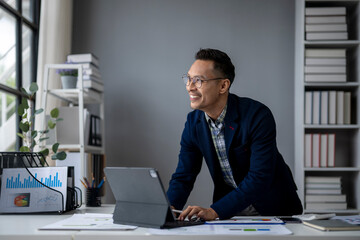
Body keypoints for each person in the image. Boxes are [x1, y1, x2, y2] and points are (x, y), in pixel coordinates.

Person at [167, 48, 303, 221]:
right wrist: (168, 208)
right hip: (230, 210)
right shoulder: (193, 122)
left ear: (223, 85)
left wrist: (214, 211)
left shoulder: (257, 115)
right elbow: (184, 175)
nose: (190, 87)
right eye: (188, 79)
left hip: (272, 206)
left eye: (198, 81)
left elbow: (259, 177)